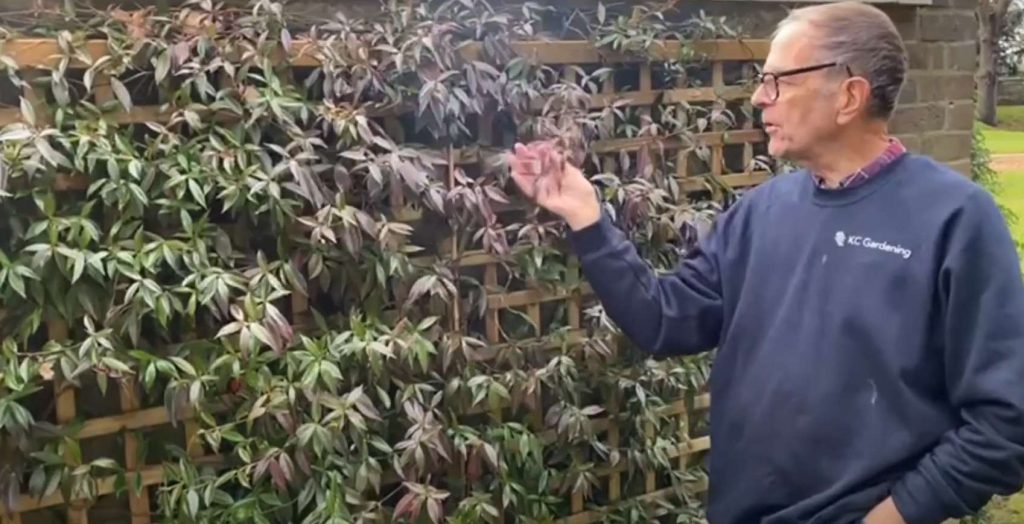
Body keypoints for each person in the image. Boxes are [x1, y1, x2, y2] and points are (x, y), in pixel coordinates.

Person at [506, 2, 1024, 523]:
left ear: (849, 95)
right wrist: (587, 218)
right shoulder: (761, 212)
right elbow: (664, 321)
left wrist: (892, 517)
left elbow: (1005, 425)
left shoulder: (955, 219)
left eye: (778, 81)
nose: (758, 97)